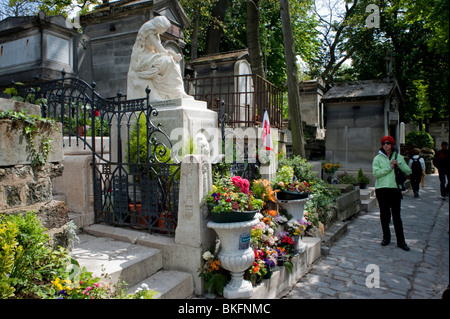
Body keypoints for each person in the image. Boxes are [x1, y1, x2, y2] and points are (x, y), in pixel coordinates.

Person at [127, 16, 193, 101]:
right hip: (144, 59)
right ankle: (177, 92)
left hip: (151, 56)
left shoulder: (155, 33)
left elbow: (160, 49)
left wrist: (172, 55)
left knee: (172, 62)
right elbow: (160, 48)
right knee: (168, 61)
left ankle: (178, 92)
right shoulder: (149, 32)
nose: (164, 32)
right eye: (164, 29)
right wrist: (172, 54)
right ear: (160, 26)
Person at [372, 135, 412, 251]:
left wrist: (399, 164)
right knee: (384, 215)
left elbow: (408, 171)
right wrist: (389, 167)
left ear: (392, 145)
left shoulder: (398, 157)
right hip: (382, 189)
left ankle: (401, 241)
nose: (386, 145)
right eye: (384, 143)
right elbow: (376, 173)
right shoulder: (378, 158)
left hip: (394, 189)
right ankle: (386, 238)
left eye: (388, 143)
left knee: (397, 216)